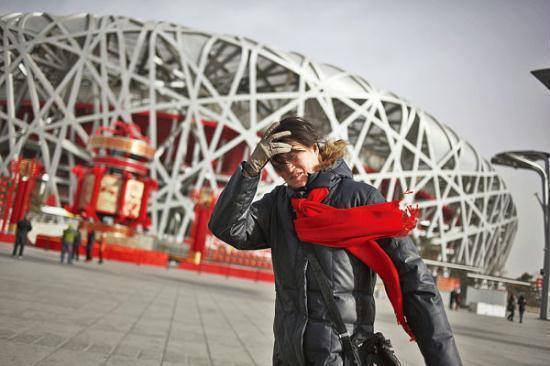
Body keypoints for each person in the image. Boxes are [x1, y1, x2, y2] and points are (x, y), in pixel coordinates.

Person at [208, 117, 462, 366]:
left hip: (343, 356)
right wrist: (251, 169)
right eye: (277, 162)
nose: (287, 167)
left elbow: (414, 279)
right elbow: (227, 227)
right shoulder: (279, 205)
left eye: (293, 153)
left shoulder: (359, 198)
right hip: (289, 356)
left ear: (315, 149)